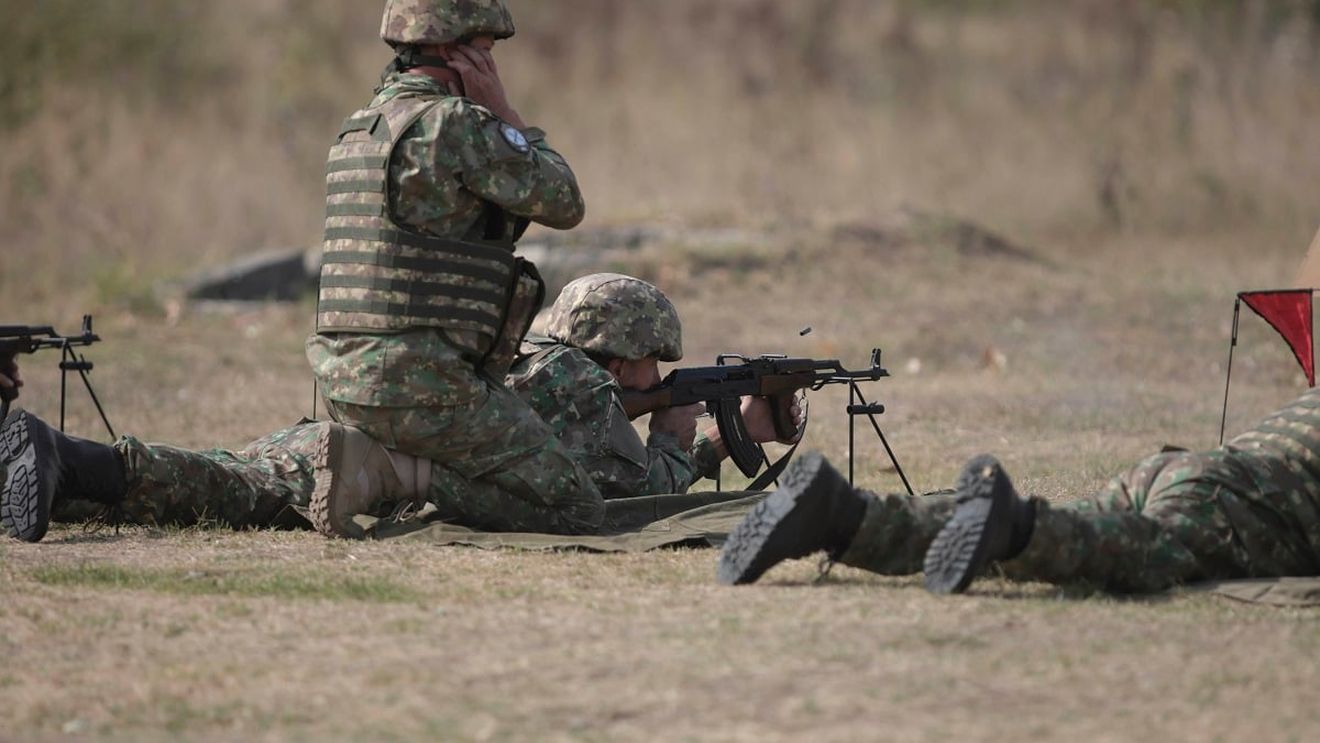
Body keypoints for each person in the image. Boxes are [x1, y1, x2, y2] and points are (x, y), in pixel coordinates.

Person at [306, 0, 601, 537]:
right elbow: (564, 200)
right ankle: (395, 476)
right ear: (453, 50)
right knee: (577, 506)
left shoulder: (358, 130)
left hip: (343, 384)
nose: (492, 67)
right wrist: (505, 114)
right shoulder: (455, 125)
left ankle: (374, 460)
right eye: (486, 52)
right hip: (425, 387)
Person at [719, 387, 1320, 594]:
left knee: (1083, 529)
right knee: (1140, 552)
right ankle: (1019, 527)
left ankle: (843, 515)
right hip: (1252, 505)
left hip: (1183, 471)